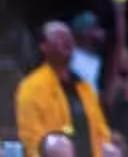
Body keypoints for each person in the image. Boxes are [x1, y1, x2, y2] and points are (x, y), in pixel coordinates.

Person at [15, 22, 111, 157]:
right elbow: (31, 139)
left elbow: (101, 131)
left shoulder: (85, 88)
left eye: (69, 37)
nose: (67, 40)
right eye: (59, 36)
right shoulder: (31, 86)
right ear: (44, 46)